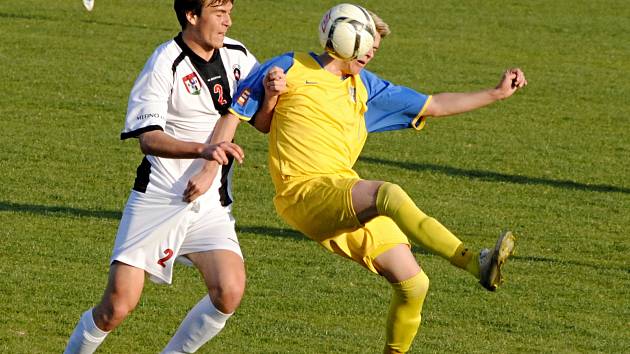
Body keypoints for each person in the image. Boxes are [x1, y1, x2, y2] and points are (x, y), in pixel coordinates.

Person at [201, 4, 527, 353]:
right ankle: (473, 261)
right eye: (367, 45)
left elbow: (433, 104)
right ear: (344, 38)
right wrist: (211, 168)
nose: (370, 53)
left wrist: (496, 93)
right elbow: (248, 116)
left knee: (414, 283)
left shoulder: (365, 87)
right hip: (304, 193)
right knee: (388, 194)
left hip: (343, 190)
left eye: (375, 48)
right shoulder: (290, 65)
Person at [63, 0, 280, 352]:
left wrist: (269, 97)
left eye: (229, 12)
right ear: (192, 17)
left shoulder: (239, 56)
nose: (228, 21)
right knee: (116, 307)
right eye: (219, 13)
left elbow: (260, 122)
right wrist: (204, 149)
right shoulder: (165, 62)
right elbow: (148, 139)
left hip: (209, 204)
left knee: (230, 289)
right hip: (160, 198)